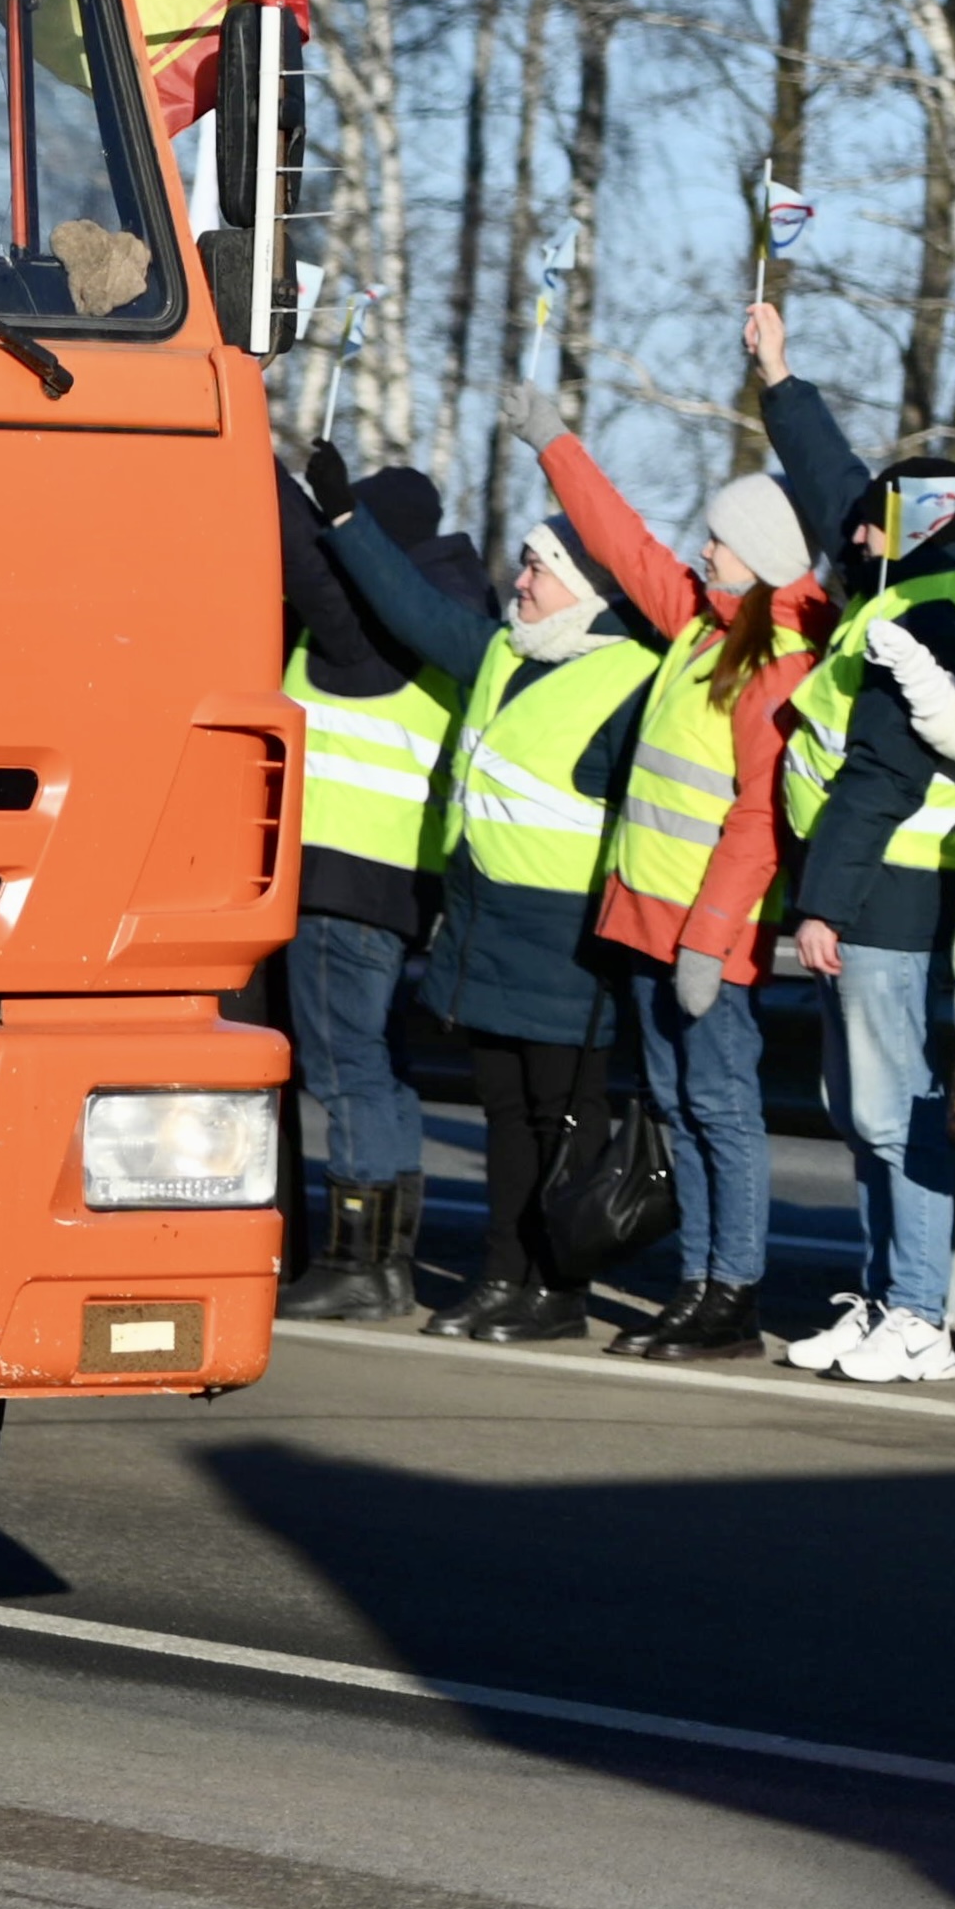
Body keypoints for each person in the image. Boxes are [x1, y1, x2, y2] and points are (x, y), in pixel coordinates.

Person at [533, 353, 837, 1361]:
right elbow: (625, 546)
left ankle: (731, 1294)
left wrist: (708, 942)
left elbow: (757, 820)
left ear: (764, 556)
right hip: (648, 924)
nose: (704, 547)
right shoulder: (706, 628)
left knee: (721, 1109)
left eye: (721, 538)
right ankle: (697, 1283)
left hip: (708, 943)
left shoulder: (777, 666)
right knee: (675, 1104)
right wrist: (555, 445)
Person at [331, 491, 657, 1341]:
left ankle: (558, 1290)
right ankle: (503, 1276)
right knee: (507, 1118)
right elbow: (414, 612)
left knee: (563, 1122)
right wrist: (343, 521)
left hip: (569, 945)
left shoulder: (631, 677)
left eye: (539, 568)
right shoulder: (510, 653)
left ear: (584, 585)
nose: (521, 581)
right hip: (488, 934)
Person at [771, 372, 955, 1388]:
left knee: (890, 1110)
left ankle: (918, 1315)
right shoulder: (921, 582)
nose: (854, 539)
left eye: (872, 526)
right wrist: (780, 384)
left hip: (885, 889)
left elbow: (882, 772)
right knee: (860, 1108)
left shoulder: (925, 617)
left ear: (910, 527)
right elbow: (842, 489)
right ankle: (884, 1298)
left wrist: (823, 902)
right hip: (872, 885)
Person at [277, 441, 462, 1319]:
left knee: (345, 1070)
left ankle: (356, 1262)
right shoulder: (434, 628)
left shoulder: (359, 638)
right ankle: (388, 1264)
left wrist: (253, 446)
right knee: (381, 1070)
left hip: (338, 884)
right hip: (398, 890)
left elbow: (299, 554)